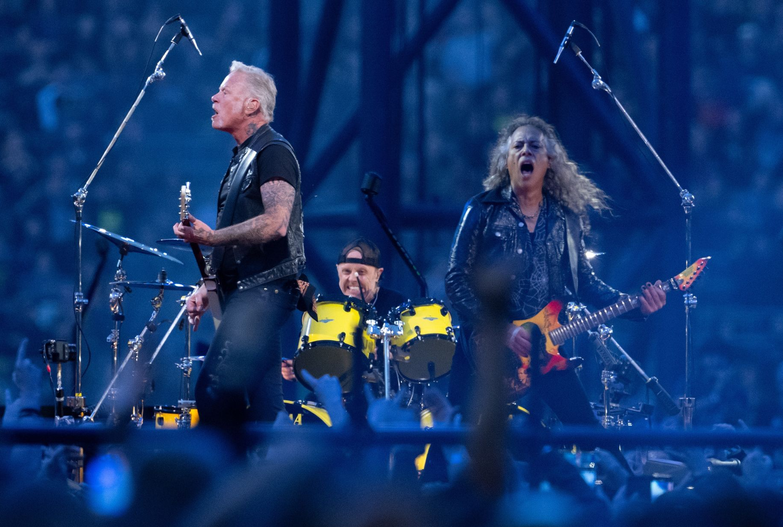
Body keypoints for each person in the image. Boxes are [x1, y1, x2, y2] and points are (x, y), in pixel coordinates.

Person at [445, 115, 666, 428]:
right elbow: (456, 280)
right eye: (517, 147)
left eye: (534, 146)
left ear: (549, 161)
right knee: (455, 438)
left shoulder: (564, 219)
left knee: (591, 438)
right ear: (505, 160)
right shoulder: (481, 209)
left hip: (543, 348)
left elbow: (586, 284)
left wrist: (637, 306)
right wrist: (504, 328)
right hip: (484, 346)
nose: (525, 152)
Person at [173, 62, 304, 433]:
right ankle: (274, 481)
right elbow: (238, 237)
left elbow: (277, 223)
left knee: (214, 392)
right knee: (266, 407)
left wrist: (211, 237)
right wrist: (208, 284)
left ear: (251, 105)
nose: (214, 97)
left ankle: (226, 479)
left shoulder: (273, 151)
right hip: (248, 292)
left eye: (225, 92)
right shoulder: (242, 157)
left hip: (262, 294)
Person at [282, 237, 406, 382]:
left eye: (361, 272)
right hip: (342, 393)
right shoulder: (331, 310)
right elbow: (329, 365)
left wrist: (392, 354)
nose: (353, 279)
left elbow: (411, 355)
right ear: (338, 272)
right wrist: (300, 369)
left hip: (386, 392)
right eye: (346, 271)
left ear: (378, 274)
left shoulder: (396, 303)